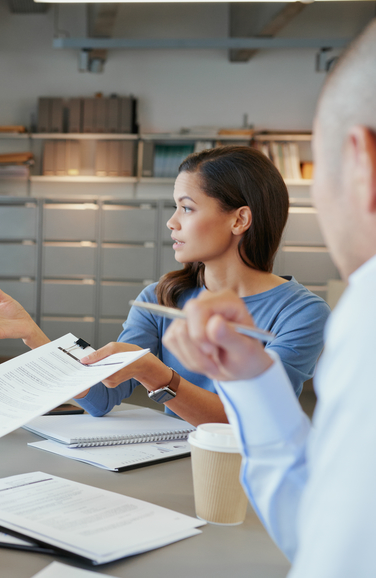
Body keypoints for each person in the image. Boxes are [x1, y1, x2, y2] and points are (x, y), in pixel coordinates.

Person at [161, 21, 376, 576]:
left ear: (361, 165)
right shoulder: (170, 292)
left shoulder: (358, 314)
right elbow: (322, 522)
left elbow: (328, 557)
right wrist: (252, 382)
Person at [0, 145, 330, 426]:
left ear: (239, 219)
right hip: (171, 466)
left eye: (187, 207)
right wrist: (33, 337)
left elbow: (249, 421)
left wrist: (155, 373)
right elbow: (100, 397)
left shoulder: (302, 313)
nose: (172, 222)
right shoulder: (161, 298)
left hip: (246, 475)